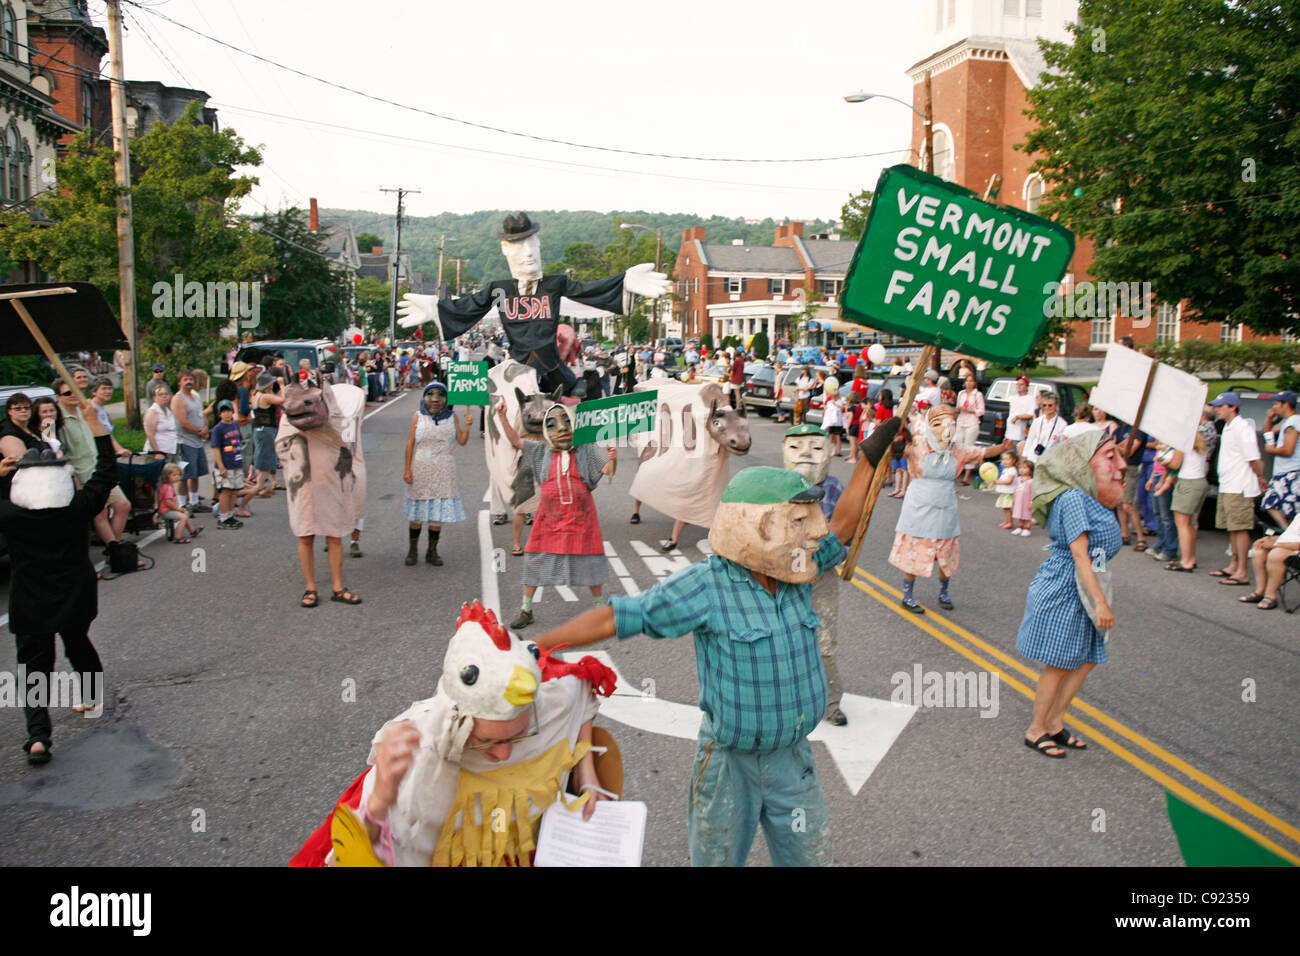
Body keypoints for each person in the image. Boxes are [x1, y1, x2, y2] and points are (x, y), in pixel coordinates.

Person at [532, 422, 900, 867]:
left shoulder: (797, 564)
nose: (816, 528)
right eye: (801, 519)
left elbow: (841, 527)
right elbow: (621, 615)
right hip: (729, 769)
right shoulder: (706, 586)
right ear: (758, 527)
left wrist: (869, 459)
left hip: (793, 766)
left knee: (809, 857)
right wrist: (538, 646)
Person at [291, 602, 617, 866]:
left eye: (516, 736)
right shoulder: (420, 745)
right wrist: (380, 800)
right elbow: (370, 849)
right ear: (457, 723)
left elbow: (582, 689)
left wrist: (587, 773)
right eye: (487, 741)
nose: (503, 754)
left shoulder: (546, 698)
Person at [399, 214, 668, 400]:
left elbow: (587, 290)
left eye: (531, 245)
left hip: (552, 367)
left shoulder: (554, 284)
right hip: (517, 367)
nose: (527, 254)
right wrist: (436, 308)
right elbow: (470, 306)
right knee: (504, 406)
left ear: (539, 246)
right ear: (506, 250)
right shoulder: (500, 289)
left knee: (581, 394)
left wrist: (623, 281)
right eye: (519, 246)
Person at [0, 398, 116, 764]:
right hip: (75, 592)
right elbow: (105, 475)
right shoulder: (77, 508)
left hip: (30, 598)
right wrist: (99, 433)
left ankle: (38, 736)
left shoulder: (11, 515)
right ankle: (92, 695)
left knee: (34, 664)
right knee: (77, 641)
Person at [1017, 431, 1126, 758]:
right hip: (1068, 585)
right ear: (1083, 463)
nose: (1119, 464)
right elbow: (1080, 555)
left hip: (1090, 579)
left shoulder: (1089, 495)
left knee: (1088, 659)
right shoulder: (1073, 499)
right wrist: (1101, 603)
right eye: (1109, 456)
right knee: (1060, 663)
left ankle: (1055, 722)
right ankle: (1036, 729)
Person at [496, 401, 614, 629]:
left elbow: (607, 470)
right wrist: (502, 416)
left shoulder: (586, 449)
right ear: (545, 430)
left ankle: (599, 607)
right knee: (534, 561)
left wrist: (613, 458)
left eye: (566, 422)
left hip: (582, 518)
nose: (561, 429)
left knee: (590, 561)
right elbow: (515, 441)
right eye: (552, 424)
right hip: (549, 520)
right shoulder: (540, 451)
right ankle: (526, 609)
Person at [888, 405, 1010, 612]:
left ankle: (943, 593)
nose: (946, 429)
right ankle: (907, 595)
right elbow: (892, 448)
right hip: (918, 507)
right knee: (915, 552)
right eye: (939, 423)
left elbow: (982, 452)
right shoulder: (916, 444)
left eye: (950, 423)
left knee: (945, 554)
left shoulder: (958, 449)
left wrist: (1002, 448)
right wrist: (895, 435)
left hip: (945, 508)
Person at [782, 424, 849, 725]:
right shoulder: (774, 487)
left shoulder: (834, 489)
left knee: (823, 641)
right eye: (796, 447)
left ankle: (830, 702)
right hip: (782, 575)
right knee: (781, 638)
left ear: (831, 451)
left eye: (816, 446)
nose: (806, 453)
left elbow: (845, 530)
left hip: (820, 575)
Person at [54, 377, 131, 548]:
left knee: (123, 505)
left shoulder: (86, 411)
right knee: (100, 512)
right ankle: (114, 550)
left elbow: (103, 433)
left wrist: (116, 448)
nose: (73, 395)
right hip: (82, 473)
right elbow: (57, 450)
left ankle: (115, 544)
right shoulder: (58, 419)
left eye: (75, 390)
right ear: (58, 397)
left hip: (99, 468)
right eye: (67, 393)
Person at [403, 382, 470, 567]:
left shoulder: (452, 417)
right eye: (430, 394)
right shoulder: (417, 417)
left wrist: (469, 425)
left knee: (437, 514)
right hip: (421, 469)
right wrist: (407, 469)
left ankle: (432, 551)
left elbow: (462, 441)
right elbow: (410, 444)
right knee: (417, 513)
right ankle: (412, 549)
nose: (435, 399)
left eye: (440, 395)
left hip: (444, 469)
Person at [1208, 392, 1264, 585]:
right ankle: (1233, 564)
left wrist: (1259, 477)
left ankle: (1242, 572)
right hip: (1228, 484)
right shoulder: (1229, 427)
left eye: (1221, 406)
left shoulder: (1242, 428)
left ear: (1232, 407)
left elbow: (1254, 459)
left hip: (1239, 485)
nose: (1217, 409)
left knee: (1240, 528)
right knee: (1231, 527)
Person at [1165, 414, 1213, 572]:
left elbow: (1175, 463)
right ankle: (1191, 557)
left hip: (1187, 482)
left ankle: (1186, 560)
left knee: (1182, 524)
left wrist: (1164, 461)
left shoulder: (1183, 442)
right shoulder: (1200, 442)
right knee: (1191, 523)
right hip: (1200, 481)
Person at [171, 370, 213, 514]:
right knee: (185, 474)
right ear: (179, 382)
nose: (189, 382)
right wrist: (198, 431)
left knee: (196, 473)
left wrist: (206, 428)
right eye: (185, 379)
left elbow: (202, 415)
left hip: (198, 441)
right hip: (185, 441)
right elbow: (182, 421)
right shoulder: (178, 399)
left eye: (190, 379)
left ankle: (194, 502)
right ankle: (182, 504)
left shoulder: (195, 397)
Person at [1239, 513, 1300, 610]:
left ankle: (1270, 596)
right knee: (1258, 549)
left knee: (1275, 554)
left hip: (1296, 551)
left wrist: (1275, 545)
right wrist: (1270, 539)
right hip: (1290, 547)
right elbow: (1290, 535)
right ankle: (1260, 592)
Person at [210, 400, 255, 528]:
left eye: (228, 410)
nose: (226, 413)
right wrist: (221, 466)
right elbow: (216, 448)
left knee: (235, 490)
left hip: (236, 463)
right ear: (219, 414)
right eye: (223, 411)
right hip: (225, 465)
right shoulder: (218, 429)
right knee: (226, 491)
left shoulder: (235, 425)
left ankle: (230, 515)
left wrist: (241, 462)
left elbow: (238, 443)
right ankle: (223, 517)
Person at [1260, 391, 1300, 529]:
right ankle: (1288, 533)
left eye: (1277, 403)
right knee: (1270, 503)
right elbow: (1267, 432)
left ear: (1286, 405)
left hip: (1291, 474)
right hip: (1282, 474)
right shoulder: (1286, 422)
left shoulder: (1294, 422)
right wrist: (1269, 418)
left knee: (1287, 510)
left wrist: (1271, 450)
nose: (1274, 406)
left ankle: (1289, 535)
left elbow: (1288, 450)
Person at [1112, 416, 1149, 549]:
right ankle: (1124, 534)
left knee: (1128, 504)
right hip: (1118, 467)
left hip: (1131, 468)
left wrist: (1116, 446)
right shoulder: (1119, 429)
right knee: (1120, 503)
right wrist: (1119, 446)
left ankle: (1140, 537)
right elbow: (1116, 447)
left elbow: (1130, 450)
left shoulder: (1138, 430)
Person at [250, 371, 284, 497]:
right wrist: (281, 385)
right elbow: (282, 400)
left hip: (258, 428)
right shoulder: (265, 397)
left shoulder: (256, 395)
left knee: (260, 457)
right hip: (267, 429)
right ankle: (258, 486)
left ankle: (261, 485)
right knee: (268, 459)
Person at [1145, 443, 1179, 562]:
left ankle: (1170, 549)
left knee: (1166, 517)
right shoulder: (1162, 445)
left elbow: (1168, 466)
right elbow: (1156, 466)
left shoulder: (1173, 447)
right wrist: (1152, 479)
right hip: (1158, 476)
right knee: (1158, 513)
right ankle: (1161, 544)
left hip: (1165, 478)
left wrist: (1162, 481)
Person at [157, 463, 201, 543]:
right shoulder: (167, 488)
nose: (177, 477)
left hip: (167, 509)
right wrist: (178, 509)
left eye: (178, 475)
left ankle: (192, 531)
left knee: (186, 513)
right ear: (167, 476)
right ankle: (178, 537)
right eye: (174, 475)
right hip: (165, 511)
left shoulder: (169, 485)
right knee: (183, 517)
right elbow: (168, 503)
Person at [1021, 391, 1067, 465]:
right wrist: (1024, 456)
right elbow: (1030, 440)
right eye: (1044, 405)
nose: (1047, 408)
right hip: (1033, 458)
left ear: (1057, 405)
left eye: (1050, 405)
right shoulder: (1037, 421)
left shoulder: (1062, 424)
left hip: (1049, 460)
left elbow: (1061, 444)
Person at [954, 373, 985, 484]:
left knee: (968, 447)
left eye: (971, 381)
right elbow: (958, 407)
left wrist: (971, 410)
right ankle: (958, 470)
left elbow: (982, 411)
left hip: (972, 422)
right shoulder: (961, 394)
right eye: (967, 381)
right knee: (958, 446)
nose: (968, 383)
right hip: (961, 421)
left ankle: (967, 476)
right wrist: (959, 409)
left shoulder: (978, 395)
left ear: (975, 383)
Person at [142, 382, 179, 468]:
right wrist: (157, 452)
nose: (164, 396)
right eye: (160, 394)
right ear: (154, 398)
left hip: (171, 451)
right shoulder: (153, 412)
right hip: (158, 453)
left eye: (166, 394)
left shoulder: (168, 411)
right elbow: (150, 434)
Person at [1006, 376, 1037, 448]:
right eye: (1017, 384)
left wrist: (1018, 417)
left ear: (1027, 387)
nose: (1018, 386)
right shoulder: (1013, 398)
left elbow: (1031, 415)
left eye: (1021, 384)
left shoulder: (1031, 399)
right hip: (1008, 434)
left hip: (1019, 435)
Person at [993, 449, 1018, 529]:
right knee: (1004, 508)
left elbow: (1009, 481)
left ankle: (1010, 522)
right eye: (1003, 459)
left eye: (1007, 459)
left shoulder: (1012, 470)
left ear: (1013, 461)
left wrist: (998, 481)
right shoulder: (1006, 469)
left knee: (1007, 508)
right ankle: (1006, 521)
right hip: (1005, 492)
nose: (1005, 461)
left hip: (1009, 493)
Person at [821, 379, 846, 457]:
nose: (834, 398)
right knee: (831, 436)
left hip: (838, 423)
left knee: (838, 437)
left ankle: (838, 451)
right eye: (833, 396)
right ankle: (832, 450)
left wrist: (835, 404)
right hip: (831, 422)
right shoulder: (829, 401)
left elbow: (842, 408)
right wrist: (824, 407)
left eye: (835, 396)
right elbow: (827, 409)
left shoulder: (840, 401)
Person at [1011, 459, 1035, 536]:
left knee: (1027, 514)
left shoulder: (1031, 481)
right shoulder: (1018, 479)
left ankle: (1027, 528)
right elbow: (1016, 489)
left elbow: (1033, 492)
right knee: (1020, 513)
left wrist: (1031, 502)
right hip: (1019, 500)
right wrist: (1014, 498)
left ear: (1030, 470)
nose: (1022, 469)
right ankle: (1020, 527)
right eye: (1020, 467)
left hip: (1027, 500)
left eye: (1025, 468)